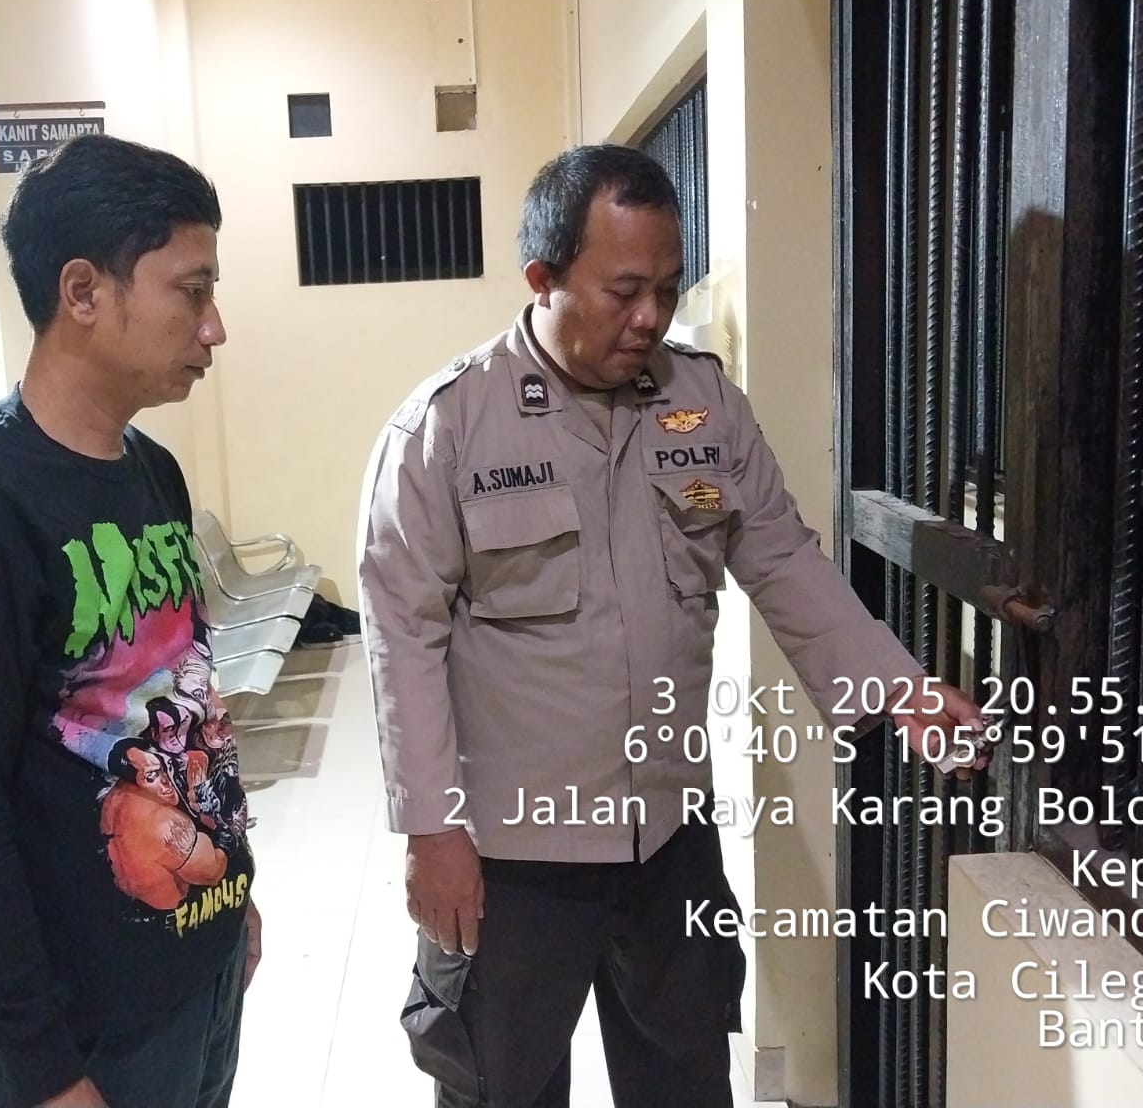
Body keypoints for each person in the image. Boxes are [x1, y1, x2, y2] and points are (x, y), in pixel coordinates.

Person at [357, 143, 987, 1108]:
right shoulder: (448, 427)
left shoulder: (702, 405)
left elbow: (780, 554)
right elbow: (403, 636)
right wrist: (431, 829)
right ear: (542, 278)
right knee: (501, 1085)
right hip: (514, 855)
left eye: (665, 288)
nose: (650, 316)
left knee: (686, 1077)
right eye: (623, 292)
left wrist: (896, 685)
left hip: (668, 834)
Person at [0, 134, 259, 1108]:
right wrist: (40, 1064)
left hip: (198, 962)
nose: (213, 328)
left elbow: (192, 702)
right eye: (190, 292)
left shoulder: (152, 471)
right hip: (85, 1026)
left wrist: (235, 897)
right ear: (83, 291)